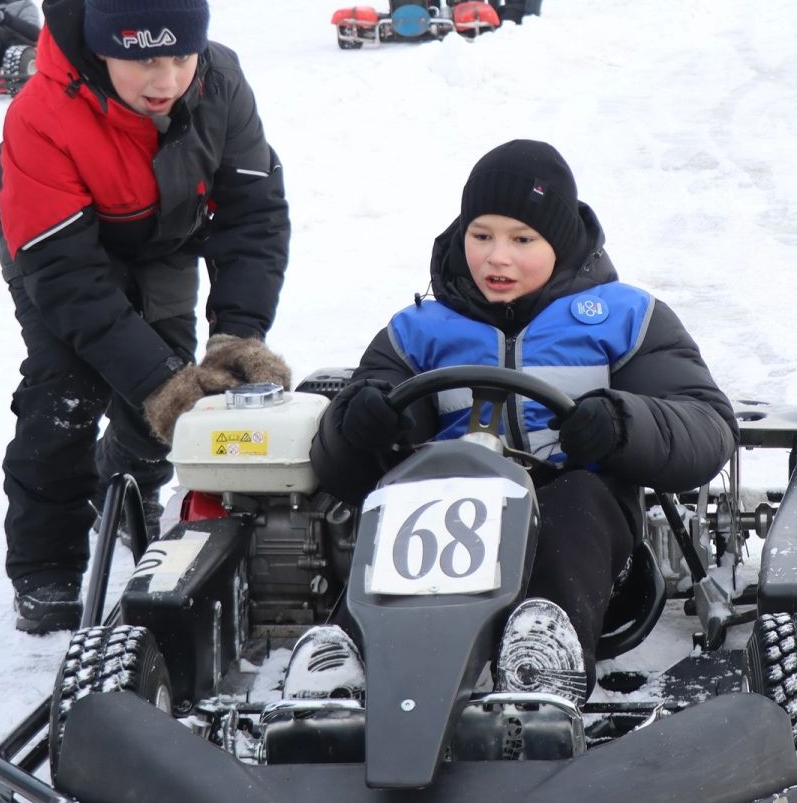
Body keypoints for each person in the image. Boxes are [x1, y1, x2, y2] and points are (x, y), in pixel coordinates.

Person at [305, 140, 736, 704]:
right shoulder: (418, 330)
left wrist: (622, 424)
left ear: (559, 242)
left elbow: (706, 423)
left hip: (580, 528)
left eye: (522, 240)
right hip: (447, 519)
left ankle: (542, 665)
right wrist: (364, 423)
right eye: (481, 236)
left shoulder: (625, 317)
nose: (497, 258)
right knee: (406, 502)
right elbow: (338, 465)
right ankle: (349, 664)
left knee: (577, 499)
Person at [0, 0, 292, 634]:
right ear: (102, 47)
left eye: (181, 55)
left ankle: (131, 475)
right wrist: (156, 383)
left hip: (160, 231)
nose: (167, 78)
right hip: (53, 241)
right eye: (144, 59)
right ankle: (47, 560)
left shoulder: (221, 84)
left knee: (177, 373)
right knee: (69, 383)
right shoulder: (41, 116)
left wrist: (237, 337)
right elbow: (69, 280)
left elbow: (253, 215)